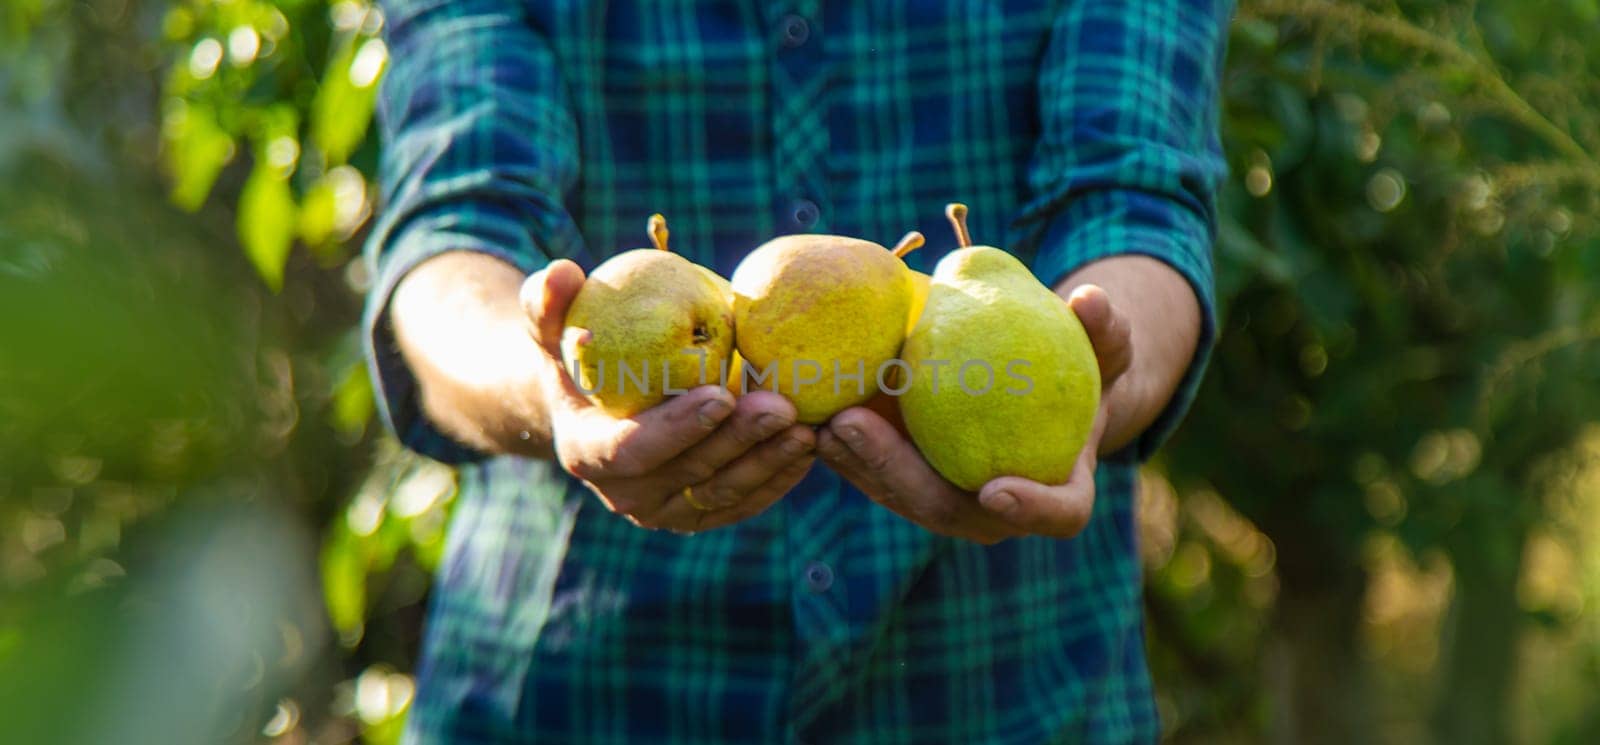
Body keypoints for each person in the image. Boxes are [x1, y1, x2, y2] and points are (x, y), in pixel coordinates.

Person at [365, 1, 1231, 741]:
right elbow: (453, 226)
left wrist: (1083, 381)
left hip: (1007, 680)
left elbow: (1138, 195)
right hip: (586, 683)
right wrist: (549, 387)